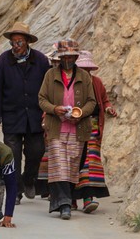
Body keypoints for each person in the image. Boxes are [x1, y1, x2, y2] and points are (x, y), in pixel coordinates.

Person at [0, 22, 50, 203]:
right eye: (13, 42)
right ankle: (15, 190)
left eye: (20, 42)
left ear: (27, 42)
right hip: (11, 115)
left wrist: (49, 111)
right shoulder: (3, 61)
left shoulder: (40, 60)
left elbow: (48, 88)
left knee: (36, 151)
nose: (16, 46)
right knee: (12, 155)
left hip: (35, 116)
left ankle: (28, 179)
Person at [38, 39, 97, 220]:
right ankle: (64, 205)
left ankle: (66, 200)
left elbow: (92, 102)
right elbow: (42, 99)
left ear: (76, 57)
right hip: (56, 127)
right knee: (59, 167)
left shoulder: (84, 77)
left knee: (72, 166)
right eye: (65, 57)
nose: (68, 60)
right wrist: (55, 109)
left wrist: (81, 113)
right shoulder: (50, 75)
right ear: (60, 58)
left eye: (71, 57)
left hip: (77, 129)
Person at [73, 50, 117, 213]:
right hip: (74, 125)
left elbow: (104, 100)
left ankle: (88, 198)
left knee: (90, 162)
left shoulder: (96, 82)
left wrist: (108, 108)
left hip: (92, 126)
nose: (85, 72)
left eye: (87, 69)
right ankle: (71, 199)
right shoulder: (72, 83)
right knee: (74, 160)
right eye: (82, 69)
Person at [36, 47, 60, 199]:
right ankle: (47, 188)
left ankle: (54, 189)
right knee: (47, 154)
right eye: (55, 61)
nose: (57, 64)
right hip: (49, 118)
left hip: (60, 118)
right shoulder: (47, 76)